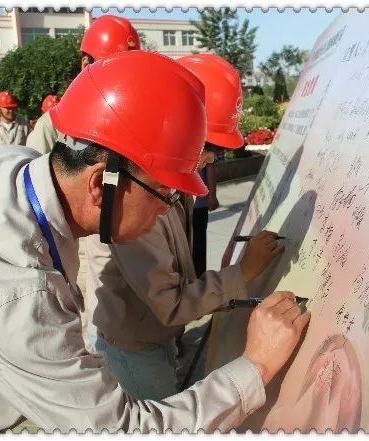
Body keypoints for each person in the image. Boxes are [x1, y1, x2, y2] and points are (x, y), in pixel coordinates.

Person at [0, 50, 310, 433]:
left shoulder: (5, 165)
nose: (166, 210)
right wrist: (255, 366)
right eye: (163, 194)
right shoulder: (15, 297)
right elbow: (119, 429)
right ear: (100, 183)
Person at [83, 54, 276, 401]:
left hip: (154, 333)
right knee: (160, 422)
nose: (212, 158)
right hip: (133, 346)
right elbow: (170, 303)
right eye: (209, 146)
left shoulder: (171, 181)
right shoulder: (133, 200)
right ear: (173, 129)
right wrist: (243, 272)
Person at [26, 14, 140, 155]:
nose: (121, 80)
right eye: (112, 69)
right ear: (86, 65)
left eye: (127, 70)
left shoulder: (131, 123)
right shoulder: (51, 128)